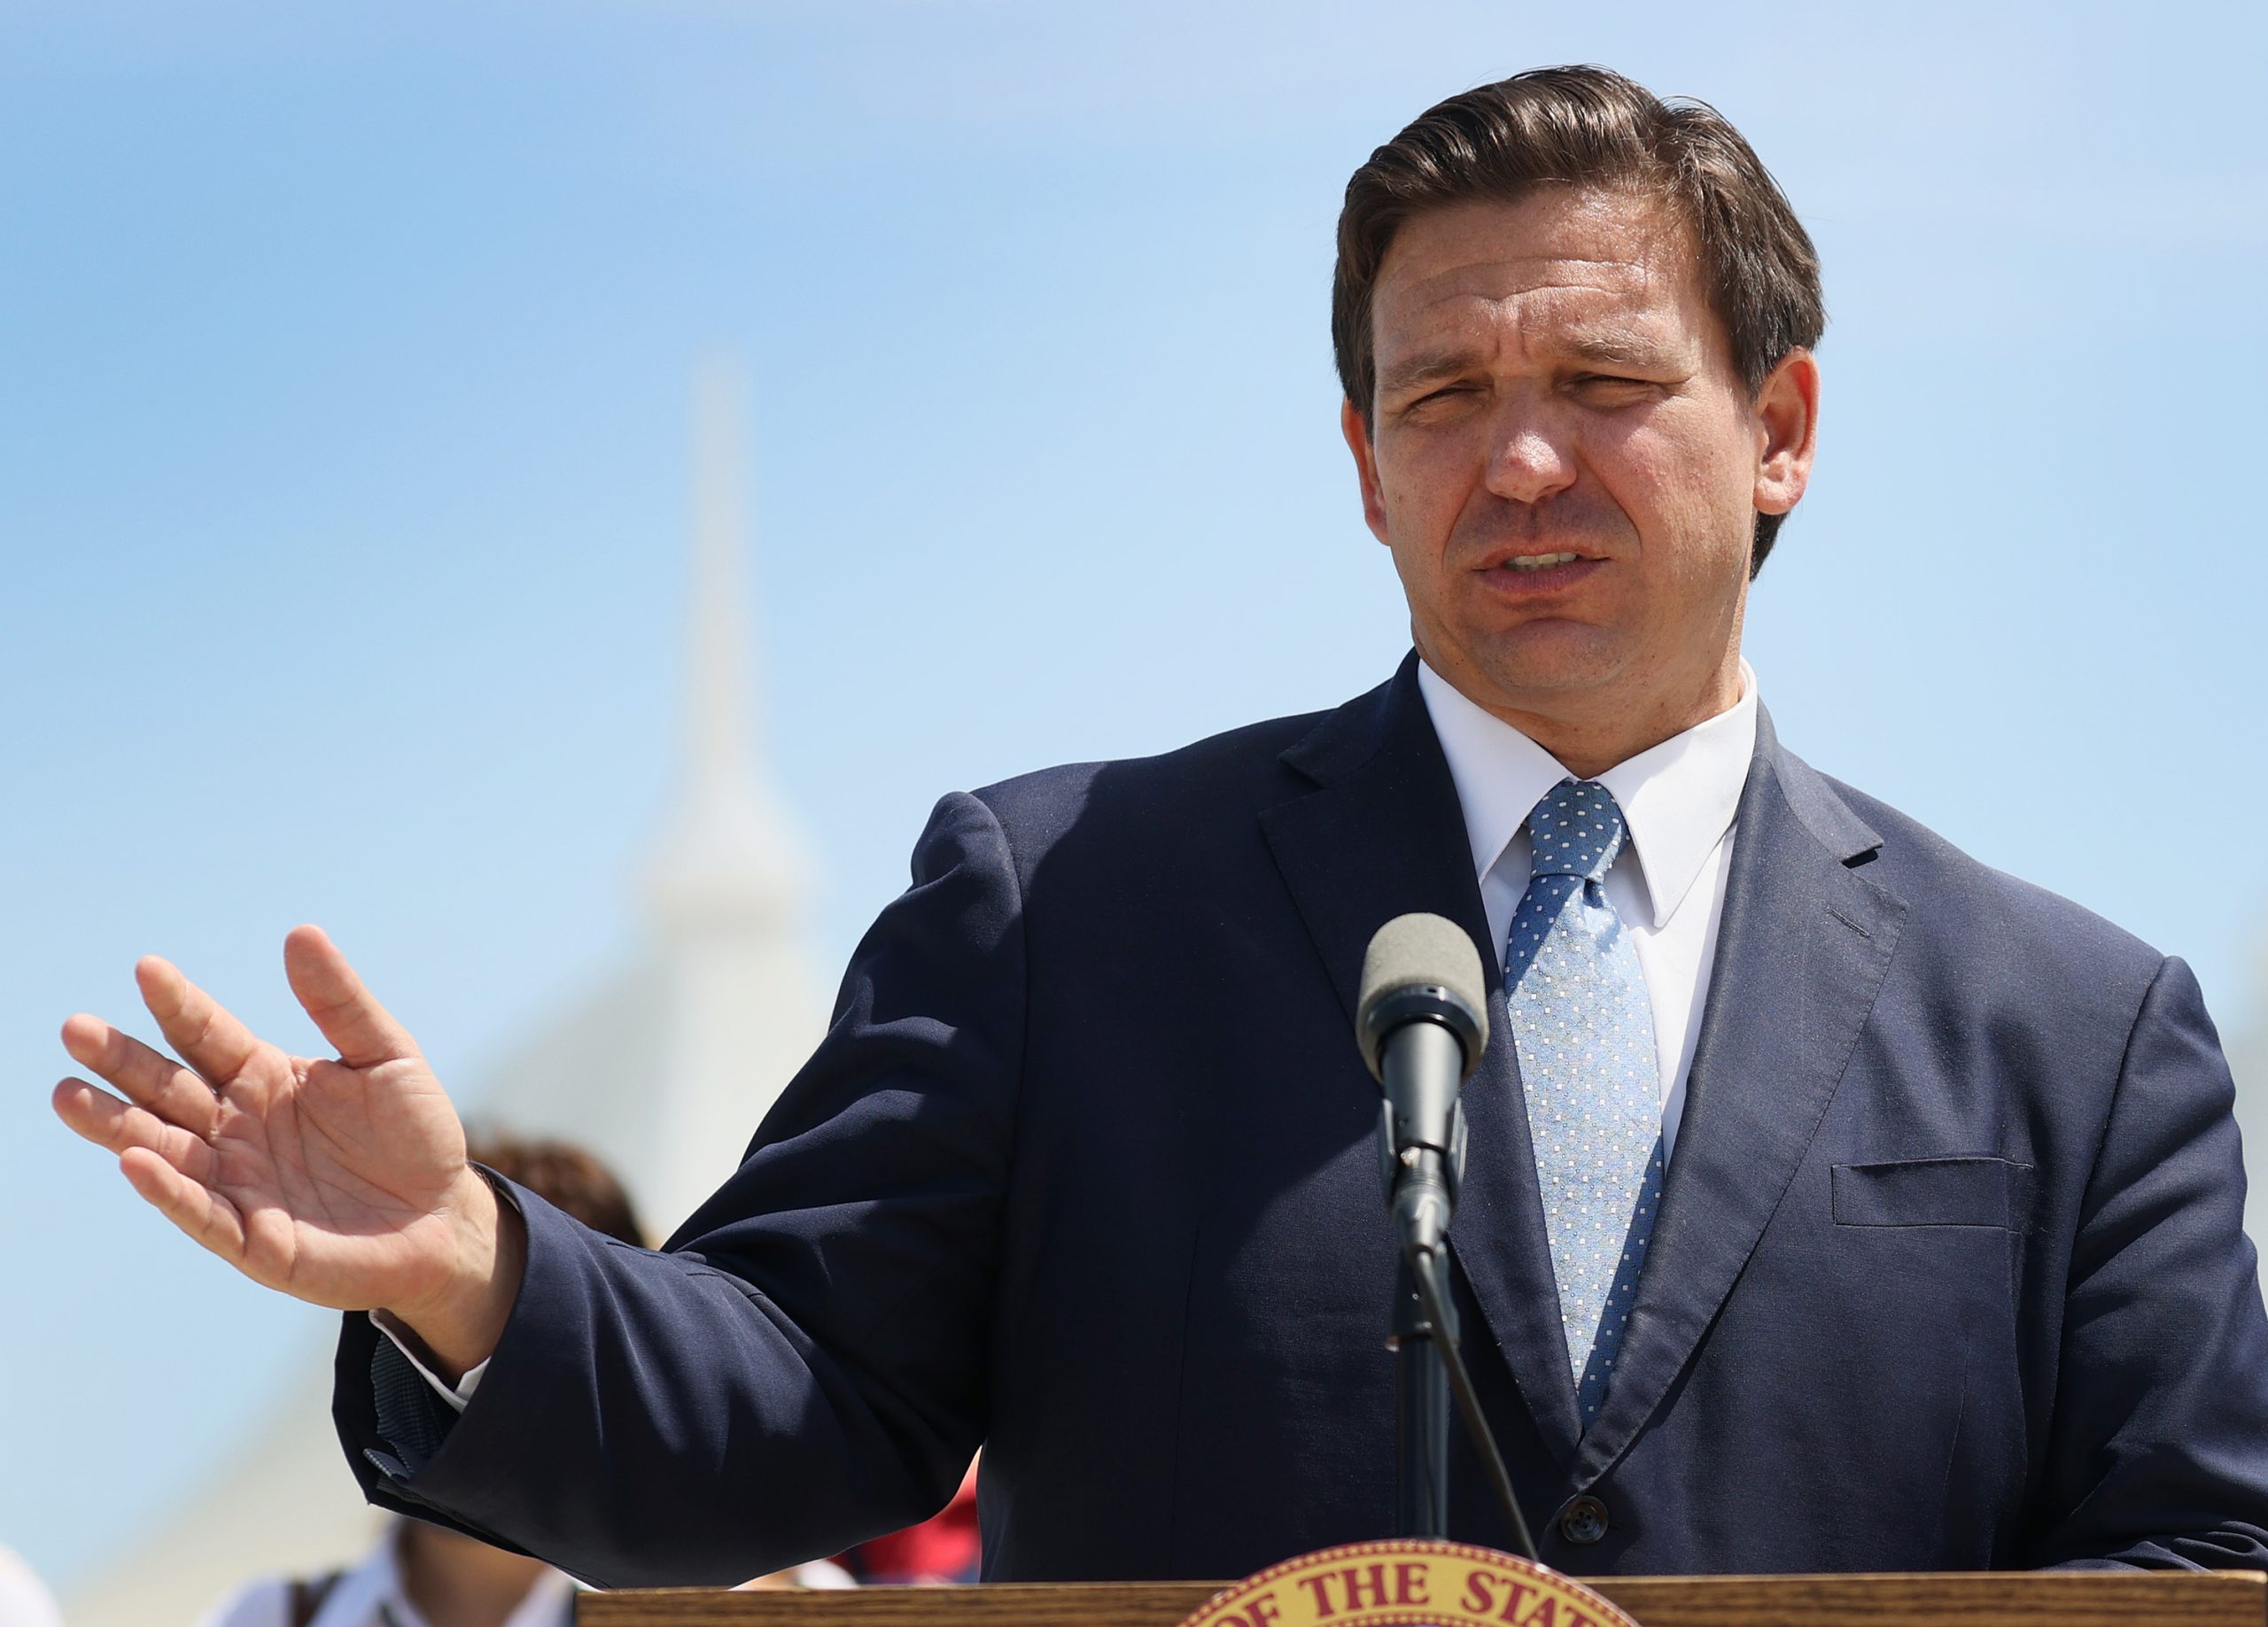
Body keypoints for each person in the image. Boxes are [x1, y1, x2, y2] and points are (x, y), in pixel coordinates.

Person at [52, 66, 2268, 1584]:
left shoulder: (2073, 1038)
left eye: (1597, 387)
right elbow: (799, 1401)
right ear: (1359, 459)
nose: (1515, 465)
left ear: (1776, 426)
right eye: (1442, 398)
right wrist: (471, 1270)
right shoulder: (1066, 912)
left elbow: (2189, 1561)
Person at [191, 1134, 630, 1627]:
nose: (471, 1395)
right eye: (432, 1327)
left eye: (518, 1349)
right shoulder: (269, 1618)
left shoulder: (688, 1613)